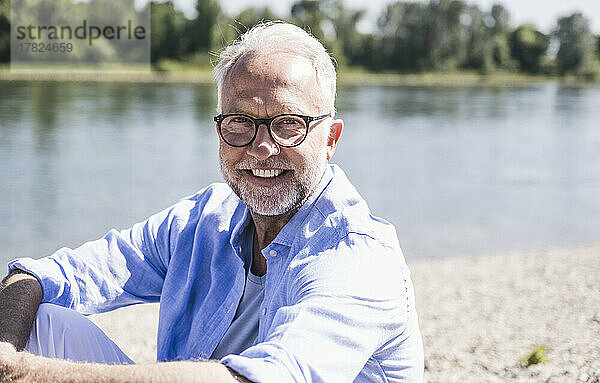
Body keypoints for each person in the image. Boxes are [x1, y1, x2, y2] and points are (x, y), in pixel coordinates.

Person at [0, 21, 424, 382]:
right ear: (219, 129)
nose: (262, 148)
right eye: (240, 122)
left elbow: (261, 378)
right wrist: (5, 356)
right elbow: (54, 275)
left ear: (330, 140)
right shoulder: (205, 218)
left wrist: (27, 373)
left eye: (288, 125)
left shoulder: (357, 258)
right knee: (38, 320)